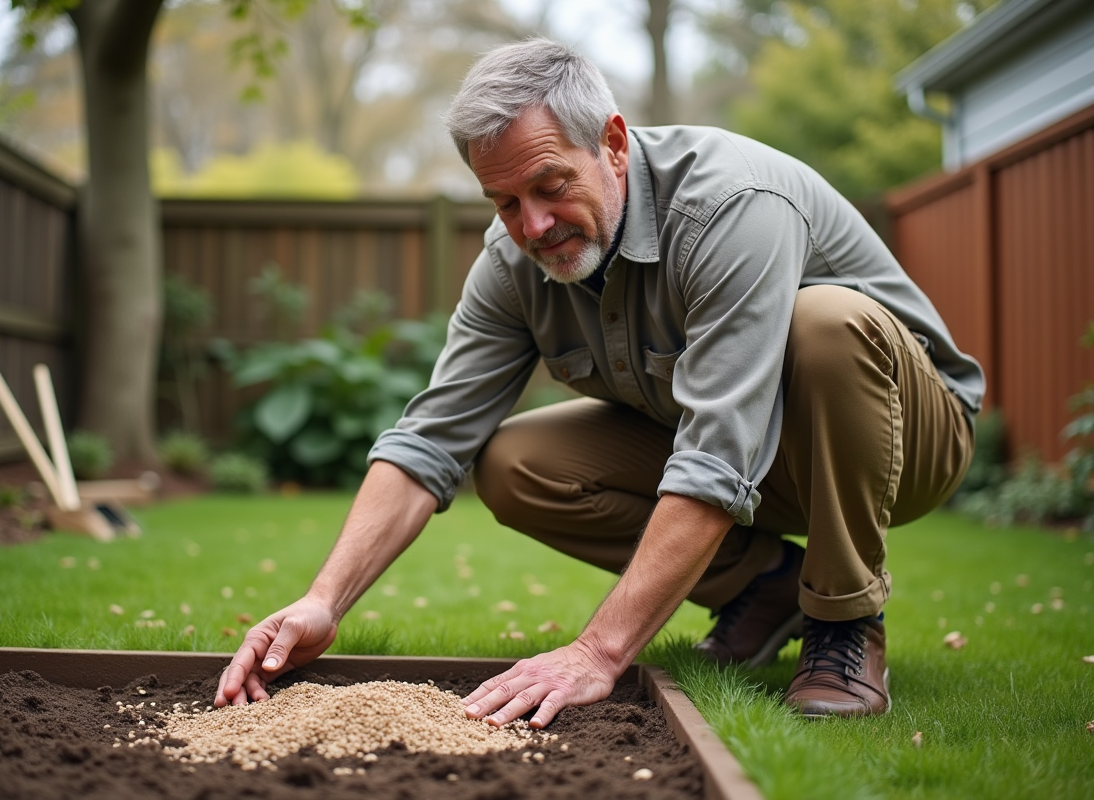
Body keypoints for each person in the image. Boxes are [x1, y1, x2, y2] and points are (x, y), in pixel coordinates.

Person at [216, 38, 982, 723]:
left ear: (613, 143)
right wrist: (324, 600)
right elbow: (429, 440)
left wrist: (599, 652)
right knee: (514, 463)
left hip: (904, 443)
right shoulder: (512, 263)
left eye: (550, 185)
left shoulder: (730, 208)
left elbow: (717, 454)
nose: (533, 225)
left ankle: (844, 622)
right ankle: (767, 585)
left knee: (825, 322)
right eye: (505, 201)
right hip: (756, 461)